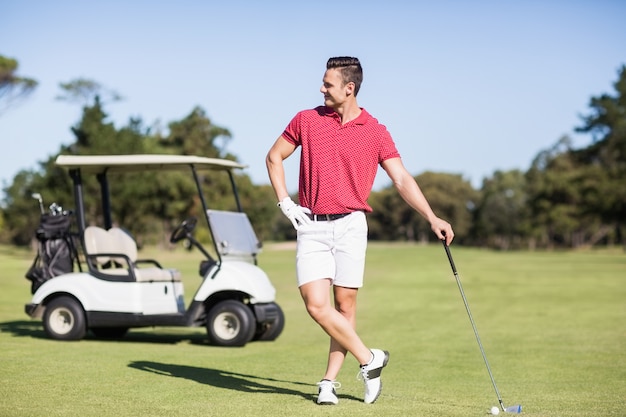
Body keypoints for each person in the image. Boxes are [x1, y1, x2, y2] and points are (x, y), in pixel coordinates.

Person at [265, 56, 454, 405]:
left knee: (345, 305)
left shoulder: (376, 131)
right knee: (316, 305)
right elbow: (274, 157)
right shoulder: (306, 120)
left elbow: (400, 179)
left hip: (351, 225)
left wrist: (432, 217)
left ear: (349, 88)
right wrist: (285, 203)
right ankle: (370, 359)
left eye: (328, 84)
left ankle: (328, 382)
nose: (321, 88)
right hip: (311, 225)